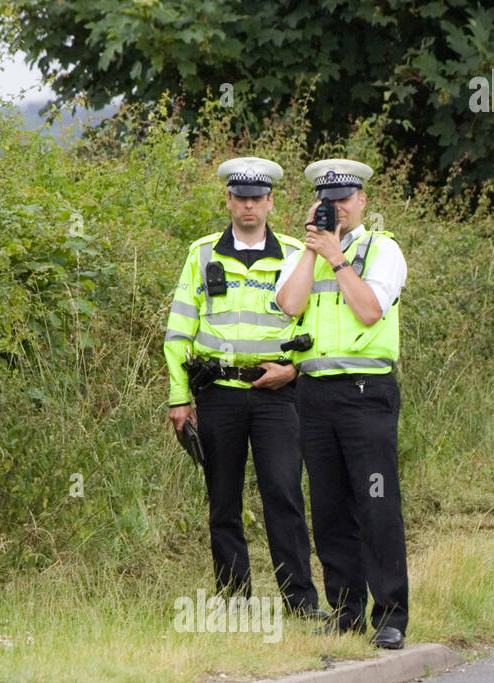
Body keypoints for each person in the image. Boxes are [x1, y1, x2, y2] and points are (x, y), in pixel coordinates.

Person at [164, 157, 322, 616]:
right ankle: (235, 601)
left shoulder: (296, 253)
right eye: (241, 198)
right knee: (223, 500)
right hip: (218, 394)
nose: (249, 206)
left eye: (258, 198)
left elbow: (317, 324)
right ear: (228, 200)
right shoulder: (201, 254)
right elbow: (178, 333)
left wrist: (293, 371)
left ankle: (300, 603)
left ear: (271, 202)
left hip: (277, 394)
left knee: (284, 495)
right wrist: (179, 397)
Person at [275, 158, 409, 648]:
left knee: (376, 504)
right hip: (314, 393)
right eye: (328, 202)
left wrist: (336, 256)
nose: (337, 208)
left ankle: (391, 615)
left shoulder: (383, 249)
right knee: (329, 508)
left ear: (362, 202)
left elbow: (370, 311)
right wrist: (313, 250)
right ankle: (347, 611)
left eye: (345, 200)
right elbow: (290, 305)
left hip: (365, 393)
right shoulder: (302, 253)